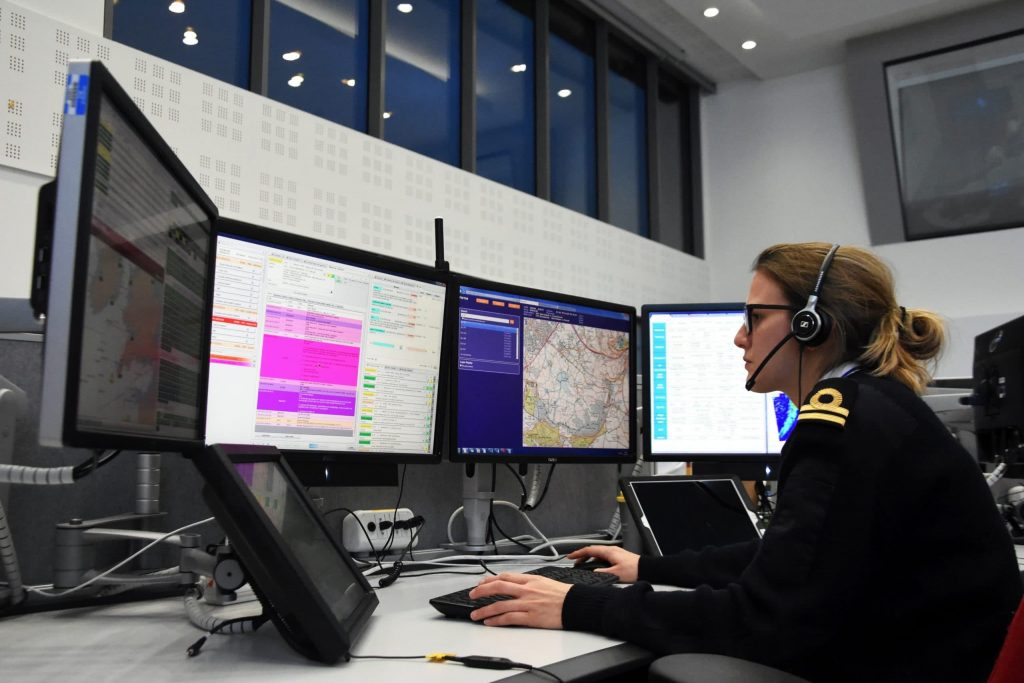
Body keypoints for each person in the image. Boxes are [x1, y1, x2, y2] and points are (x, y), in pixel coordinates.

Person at [468, 242, 1022, 682]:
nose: (739, 337)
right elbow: (790, 562)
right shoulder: (875, 407)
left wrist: (578, 606)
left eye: (755, 317)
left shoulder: (841, 423)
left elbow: (763, 619)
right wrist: (647, 569)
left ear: (812, 325)